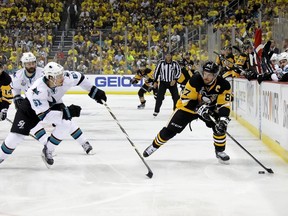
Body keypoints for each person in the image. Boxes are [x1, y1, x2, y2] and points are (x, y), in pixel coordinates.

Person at [0, 62, 107, 167]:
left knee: (66, 122)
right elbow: (45, 117)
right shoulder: (38, 91)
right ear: (50, 78)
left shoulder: (66, 78)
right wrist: (67, 112)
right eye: (59, 76)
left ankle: (48, 150)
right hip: (29, 110)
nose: (63, 78)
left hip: (52, 103)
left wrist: (94, 91)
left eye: (62, 74)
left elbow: (80, 78)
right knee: (14, 138)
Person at [143, 61, 232, 163]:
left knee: (219, 126)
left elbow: (224, 104)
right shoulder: (195, 80)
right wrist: (199, 109)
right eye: (205, 73)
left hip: (209, 109)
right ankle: (154, 146)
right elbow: (186, 100)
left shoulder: (224, 85)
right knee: (170, 131)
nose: (206, 77)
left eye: (210, 75)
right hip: (187, 108)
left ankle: (220, 151)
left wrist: (223, 119)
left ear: (215, 76)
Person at [12, 52, 94, 155]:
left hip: (53, 101)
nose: (31, 65)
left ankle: (84, 142)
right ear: (23, 64)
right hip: (35, 104)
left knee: (67, 120)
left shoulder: (44, 72)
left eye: (33, 63)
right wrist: (17, 97)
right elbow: (14, 87)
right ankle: (46, 144)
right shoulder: (17, 76)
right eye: (28, 64)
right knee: (34, 124)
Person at [152, 52, 181, 116]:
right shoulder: (161, 63)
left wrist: (175, 79)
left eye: (169, 55)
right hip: (163, 82)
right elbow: (156, 72)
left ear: (171, 56)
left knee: (176, 97)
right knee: (159, 97)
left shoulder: (175, 63)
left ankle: (175, 110)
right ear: (165, 56)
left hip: (172, 83)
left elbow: (179, 71)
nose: (168, 57)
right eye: (167, 55)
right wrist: (155, 81)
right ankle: (156, 111)